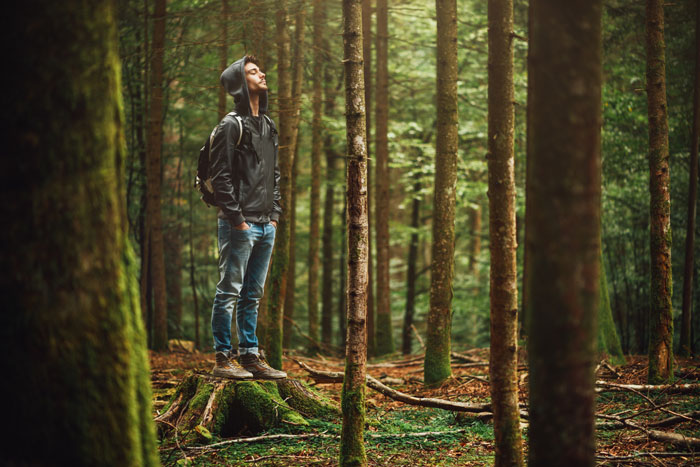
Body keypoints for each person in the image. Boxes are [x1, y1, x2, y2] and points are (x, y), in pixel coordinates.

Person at [209, 55, 287, 380]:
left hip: (266, 223)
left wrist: (275, 216)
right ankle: (222, 358)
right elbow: (220, 175)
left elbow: (275, 173)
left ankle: (251, 356)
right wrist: (238, 219)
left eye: (260, 70)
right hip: (238, 224)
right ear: (241, 82)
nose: (261, 74)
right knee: (229, 291)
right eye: (253, 72)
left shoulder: (268, 125)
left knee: (253, 294)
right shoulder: (231, 126)